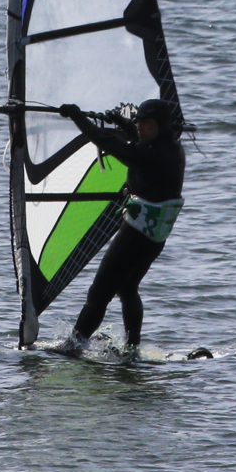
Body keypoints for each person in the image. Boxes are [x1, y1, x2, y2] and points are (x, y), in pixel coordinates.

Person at [56, 98, 185, 355]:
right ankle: (133, 348)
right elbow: (138, 142)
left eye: (147, 124)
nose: (141, 128)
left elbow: (108, 143)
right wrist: (124, 123)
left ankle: (74, 345)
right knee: (127, 288)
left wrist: (78, 117)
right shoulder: (170, 148)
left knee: (99, 293)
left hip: (136, 233)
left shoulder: (151, 155)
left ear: (161, 125)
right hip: (155, 236)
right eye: (139, 123)